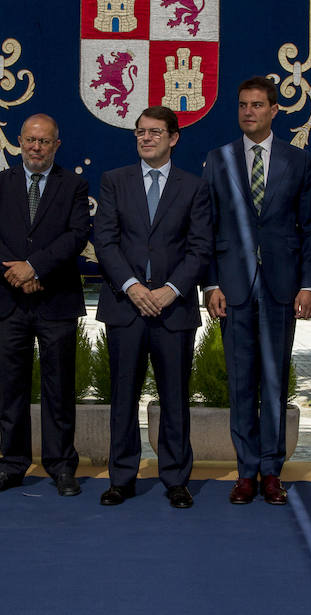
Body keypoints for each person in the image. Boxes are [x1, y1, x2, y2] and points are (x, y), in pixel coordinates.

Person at [203, 76, 311, 505]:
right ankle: (246, 473)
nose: (248, 111)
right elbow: (208, 225)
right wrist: (211, 282)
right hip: (232, 288)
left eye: (257, 105)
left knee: (273, 383)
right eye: (242, 105)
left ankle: (272, 471)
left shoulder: (298, 160)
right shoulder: (219, 159)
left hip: (280, 287)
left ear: (275, 110)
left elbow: (310, 227)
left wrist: (310, 283)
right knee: (240, 383)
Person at [92, 106, 211, 509]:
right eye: (140, 132)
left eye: (155, 132)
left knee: (175, 397)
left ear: (173, 137)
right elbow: (104, 242)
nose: (146, 138)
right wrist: (132, 287)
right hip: (126, 307)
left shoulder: (194, 187)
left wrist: (171, 289)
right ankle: (121, 478)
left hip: (173, 309)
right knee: (123, 395)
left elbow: (200, 248)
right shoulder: (114, 181)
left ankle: (176, 478)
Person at [0, 114, 90, 497]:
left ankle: (61, 466)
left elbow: (76, 236)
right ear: (19, 142)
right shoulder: (0, 183)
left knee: (59, 389)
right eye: (30, 140)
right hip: (8, 300)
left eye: (45, 141)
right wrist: (16, 271)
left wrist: (35, 267)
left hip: (55, 299)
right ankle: (12, 465)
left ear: (57, 145)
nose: (36, 147)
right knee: (12, 388)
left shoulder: (73, 185)